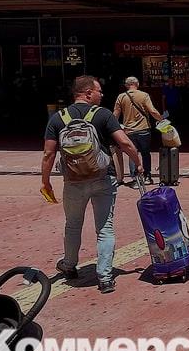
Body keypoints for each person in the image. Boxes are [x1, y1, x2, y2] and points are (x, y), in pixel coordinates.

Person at [41, 76, 143, 294]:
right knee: (105, 228)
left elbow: (49, 153)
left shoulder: (58, 118)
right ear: (88, 93)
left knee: (72, 225)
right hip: (103, 179)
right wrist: (138, 162)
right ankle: (105, 278)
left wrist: (46, 181)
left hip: (73, 181)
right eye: (99, 91)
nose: (102, 94)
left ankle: (69, 266)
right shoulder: (103, 115)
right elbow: (124, 142)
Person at [113, 76, 163, 186]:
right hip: (143, 129)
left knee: (132, 154)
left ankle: (135, 178)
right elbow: (152, 111)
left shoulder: (121, 97)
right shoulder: (144, 95)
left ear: (126, 85)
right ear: (137, 84)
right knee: (145, 153)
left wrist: (113, 128)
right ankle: (147, 176)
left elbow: (115, 114)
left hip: (129, 130)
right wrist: (161, 119)